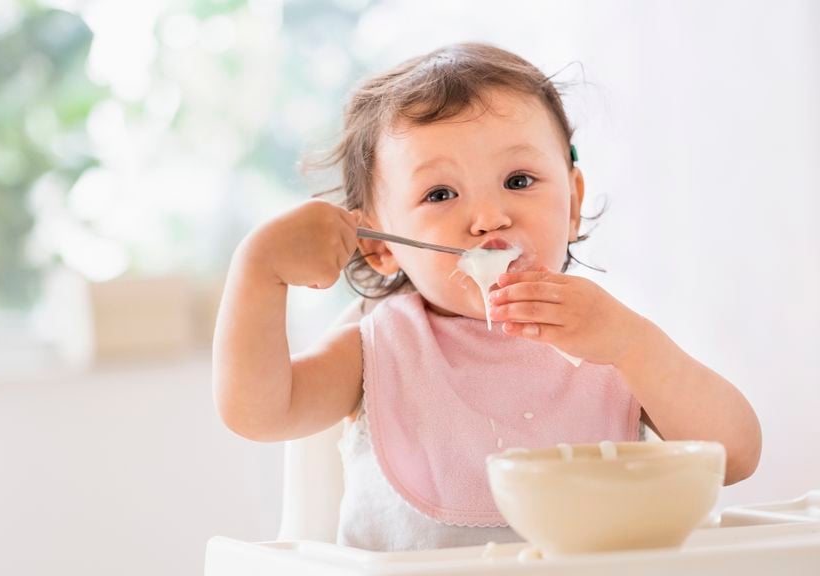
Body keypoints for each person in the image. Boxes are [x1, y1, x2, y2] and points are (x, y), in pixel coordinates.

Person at [212, 42, 762, 551]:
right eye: (441, 193)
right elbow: (259, 412)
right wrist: (259, 271)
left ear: (571, 204)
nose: (488, 218)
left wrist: (631, 345)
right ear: (381, 248)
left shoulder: (609, 340)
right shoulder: (379, 351)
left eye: (519, 181)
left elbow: (734, 456)